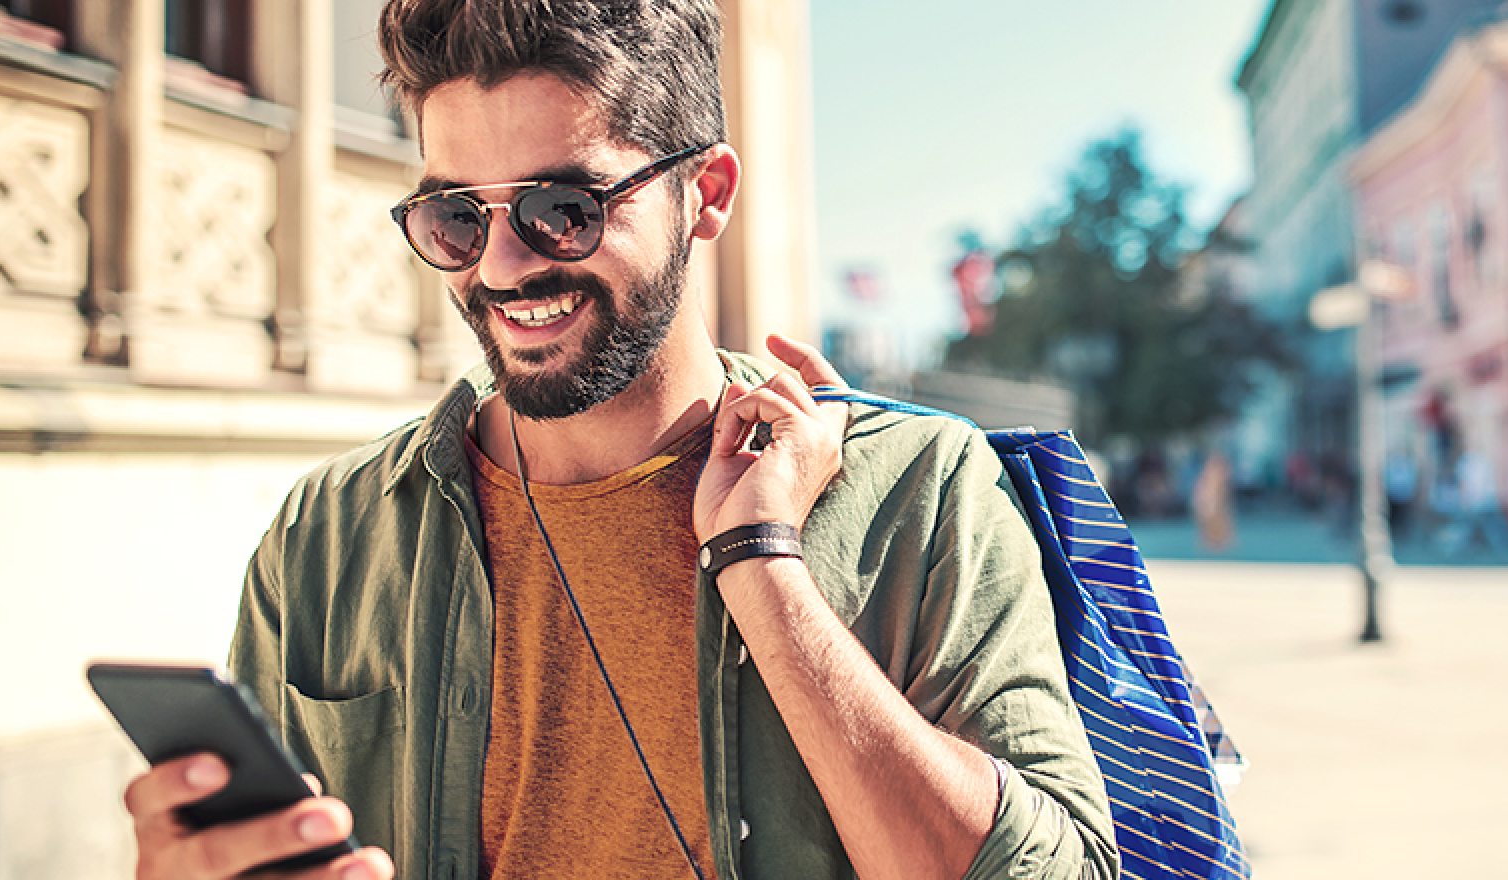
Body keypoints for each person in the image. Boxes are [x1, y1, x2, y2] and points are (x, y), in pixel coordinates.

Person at [118, 2, 1113, 879]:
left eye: (565, 210)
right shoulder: (327, 536)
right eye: (458, 216)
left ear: (707, 193)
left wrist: (763, 567)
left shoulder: (920, 491)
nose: (503, 267)